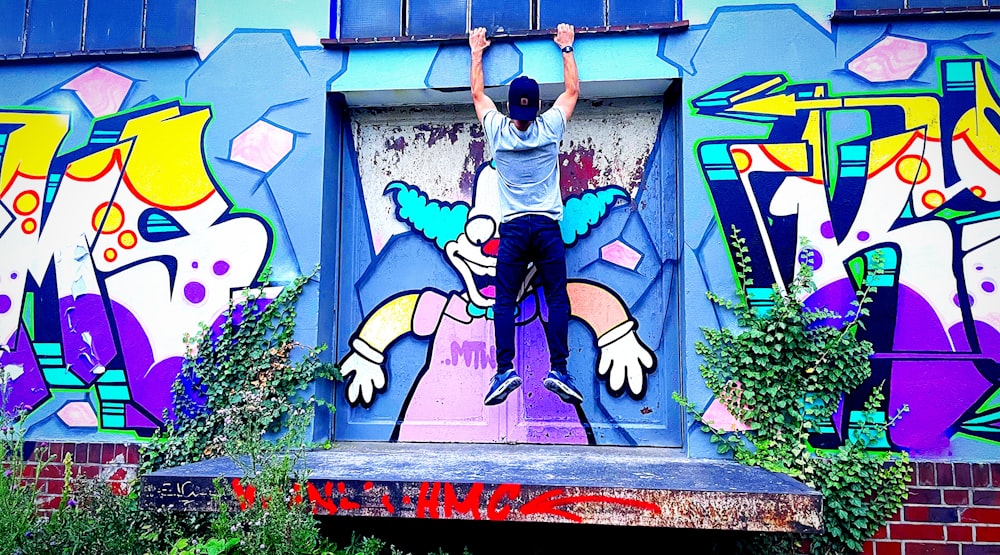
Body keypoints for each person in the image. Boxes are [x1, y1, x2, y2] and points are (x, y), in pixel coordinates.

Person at [468, 23, 582, 406]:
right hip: (547, 228)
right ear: (535, 107)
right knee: (557, 298)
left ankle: (503, 371)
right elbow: (572, 92)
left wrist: (477, 51)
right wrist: (566, 48)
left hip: (515, 229)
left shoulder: (498, 131)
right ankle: (560, 369)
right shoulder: (549, 127)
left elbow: (477, 94)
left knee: (504, 299)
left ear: (511, 107)